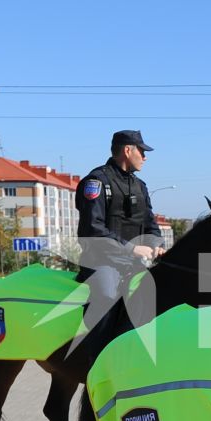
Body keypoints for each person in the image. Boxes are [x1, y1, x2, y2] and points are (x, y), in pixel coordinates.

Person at [76, 129, 160, 327]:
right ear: (128, 150)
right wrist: (131, 248)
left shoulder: (140, 186)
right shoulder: (96, 182)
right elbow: (92, 229)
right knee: (108, 296)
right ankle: (94, 353)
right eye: (142, 152)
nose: (145, 157)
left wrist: (156, 244)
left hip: (136, 263)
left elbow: (150, 222)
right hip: (102, 262)